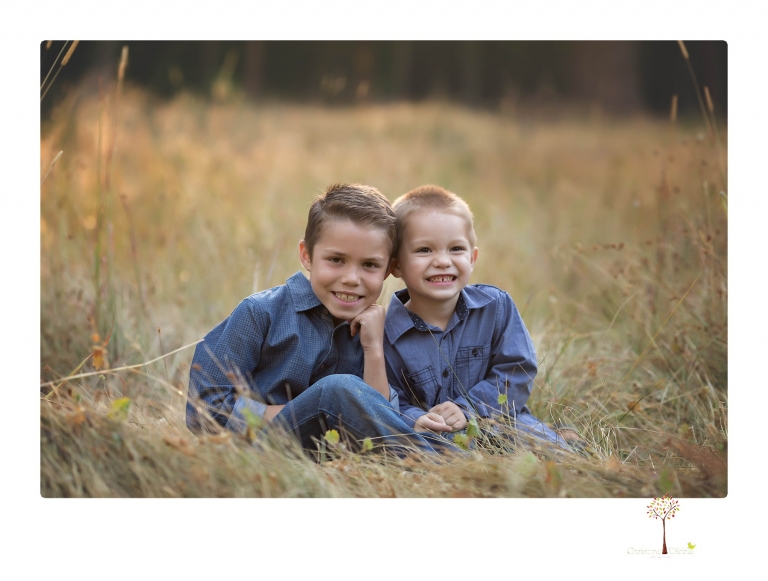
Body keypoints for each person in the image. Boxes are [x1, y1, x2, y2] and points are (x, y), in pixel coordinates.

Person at [186, 183, 450, 456]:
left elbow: (377, 417)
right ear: (307, 256)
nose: (351, 278)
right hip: (257, 452)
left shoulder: (373, 328)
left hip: (333, 459)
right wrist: (316, 411)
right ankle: (439, 463)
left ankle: (446, 459)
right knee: (337, 391)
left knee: (357, 400)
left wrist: (373, 350)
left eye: (369, 265)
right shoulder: (260, 312)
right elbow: (203, 410)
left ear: (386, 270)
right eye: (336, 260)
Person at [383, 184, 581, 450]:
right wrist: (418, 419)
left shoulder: (495, 307)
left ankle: (566, 442)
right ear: (395, 265)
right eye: (424, 250)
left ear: (473, 258)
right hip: (436, 435)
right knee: (432, 455)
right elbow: (390, 399)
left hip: (501, 422)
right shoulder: (386, 332)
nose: (443, 261)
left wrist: (467, 409)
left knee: (551, 453)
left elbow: (517, 370)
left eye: (456, 249)